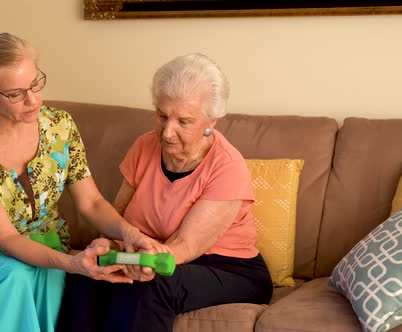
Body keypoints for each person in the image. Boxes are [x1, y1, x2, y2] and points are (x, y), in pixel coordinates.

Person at [0, 32, 167, 332]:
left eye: (35, 84)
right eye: (16, 94)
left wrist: (129, 233)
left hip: (45, 246)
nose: (33, 100)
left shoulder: (60, 126)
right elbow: (7, 240)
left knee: (48, 278)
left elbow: (91, 203)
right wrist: (71, 263)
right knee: (14, 276)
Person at [56, 53, 273, 332]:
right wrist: (107, 247)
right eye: (162, 116)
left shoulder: (227, 166)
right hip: (152, 255)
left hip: (227, 269)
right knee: (86, 274)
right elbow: (118, 221)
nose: (167, 132)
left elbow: (185, 246)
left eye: (183, 121)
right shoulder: (144, 146)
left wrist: (137, 261)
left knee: (149, 284)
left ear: (211, 121)